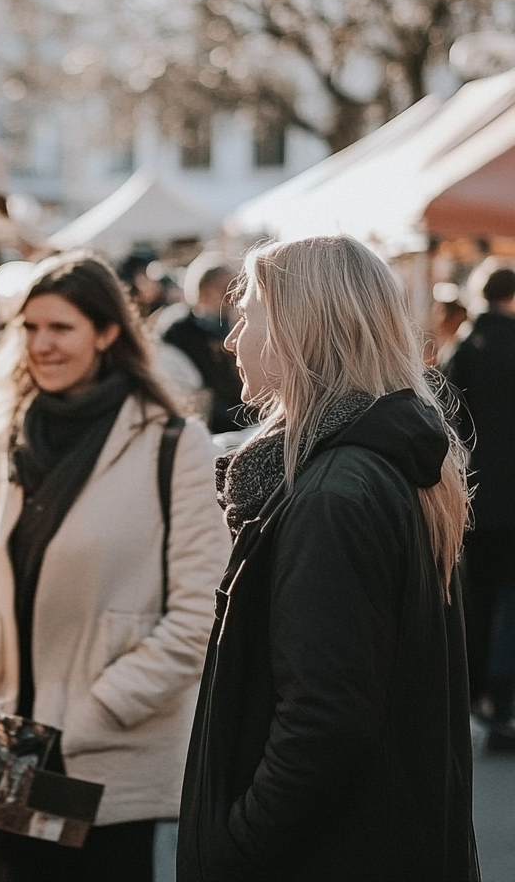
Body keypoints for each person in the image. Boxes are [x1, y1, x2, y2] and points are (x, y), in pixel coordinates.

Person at [178, 236, 478, 882]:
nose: (233, 338)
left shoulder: (336, 492)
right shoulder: (362, 466)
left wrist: (234, 849)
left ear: (297, 329)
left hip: (329, 854)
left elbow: (324, 722)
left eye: (249, 313)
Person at [0, 250, 230, 882]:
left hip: (101, 752)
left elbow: (200, 612)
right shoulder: (0, 435)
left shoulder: (173, 444)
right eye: (30, 327)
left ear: (106, 333)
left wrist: (95, 711)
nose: (41, 344)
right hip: (5, 743)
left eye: (61, 328)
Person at [446, 267, 515, 749]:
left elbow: (447, 418)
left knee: (479, 595)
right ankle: (503, 696)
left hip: (476, 493)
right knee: (510, 599)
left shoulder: (464, 347)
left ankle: (476, 696)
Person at [160, 258, 243, 433]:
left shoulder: (233, 324)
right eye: (227, 288)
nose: (235, 295)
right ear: (205, 291)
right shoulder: (179, 332)